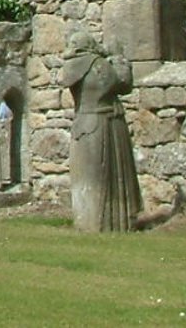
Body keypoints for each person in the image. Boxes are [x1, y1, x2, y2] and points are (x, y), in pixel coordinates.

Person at [61, 30, 143, 231]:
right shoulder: (97, 64)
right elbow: (123, 83)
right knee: (103, 175)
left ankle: (92, 222)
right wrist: (118, 57)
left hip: (86, 122)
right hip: (102, 123)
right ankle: (106, 223)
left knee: (93, 176)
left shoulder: (71, 67)